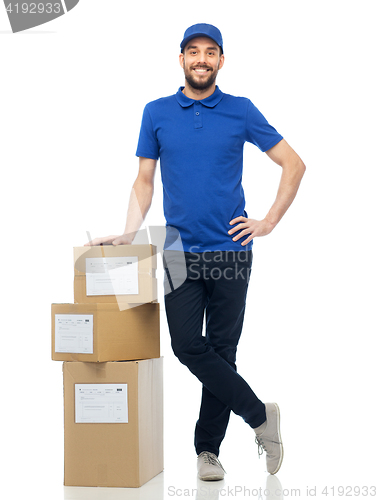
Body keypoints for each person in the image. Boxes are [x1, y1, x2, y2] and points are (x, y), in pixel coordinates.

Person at [86, 23, 306, 480]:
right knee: (188, 346)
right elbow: (144, 180)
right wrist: (130, 231)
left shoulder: (241, 111)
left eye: (210, 52)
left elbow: (294, 164)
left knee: (222, 351)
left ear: (221, 61)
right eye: (193, 52)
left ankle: (207, 451)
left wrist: (267, 222)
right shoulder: (157, 112)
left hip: (232, 249)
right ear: (181, 58)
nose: (201, 59)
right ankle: (260, 415)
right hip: (174, 248)